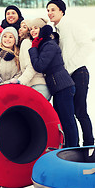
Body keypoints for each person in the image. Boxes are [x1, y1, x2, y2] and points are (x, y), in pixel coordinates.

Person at [46, 0, 94, 146]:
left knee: (80, 111)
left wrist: (70, 66)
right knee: (68, 113)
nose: (49, 13)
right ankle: (74, 145)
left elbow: (87, 45)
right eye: (48, 10)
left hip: (79, 72)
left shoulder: (71, 25)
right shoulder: (57, 31)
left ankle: (89, 145)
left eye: (53, 9)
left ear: (62, 11)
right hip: (67, 76)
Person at [28, 19, 79, 147]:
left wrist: (33, 49)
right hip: (58, 87)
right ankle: (68, 147)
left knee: (67, 120)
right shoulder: (44, 44)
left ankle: (74, 148)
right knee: (61, 120)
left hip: (63, 86)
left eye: (36, 28)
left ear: (42, 30)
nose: (33, 30)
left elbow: (39, 65)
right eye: (31, 29)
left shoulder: (49, 45)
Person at [12, 18, 51, 100]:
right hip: (38, 86)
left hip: (37, 85)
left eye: (25, 27)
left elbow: (31, 66)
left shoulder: (26, 43)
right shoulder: (32, 44)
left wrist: (20, 82)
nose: (20, 29)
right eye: (20, 26)